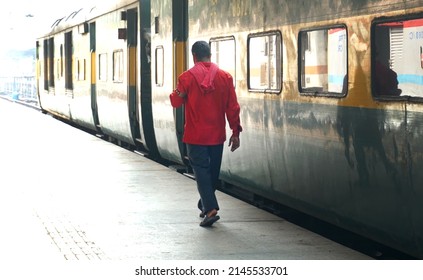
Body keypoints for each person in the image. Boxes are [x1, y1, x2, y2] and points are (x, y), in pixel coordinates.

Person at [169, 41, 242, 227]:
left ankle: (210, 209)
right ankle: (205, 203)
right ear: (210, 55)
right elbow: (232, 107)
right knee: (212, 173)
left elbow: (175, 102)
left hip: (195, 136)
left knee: (201, 171)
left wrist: (179, 93)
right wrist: (235, 131)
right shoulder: (225, 77)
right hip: (216, 135)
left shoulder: (186, 78)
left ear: (194, 56)